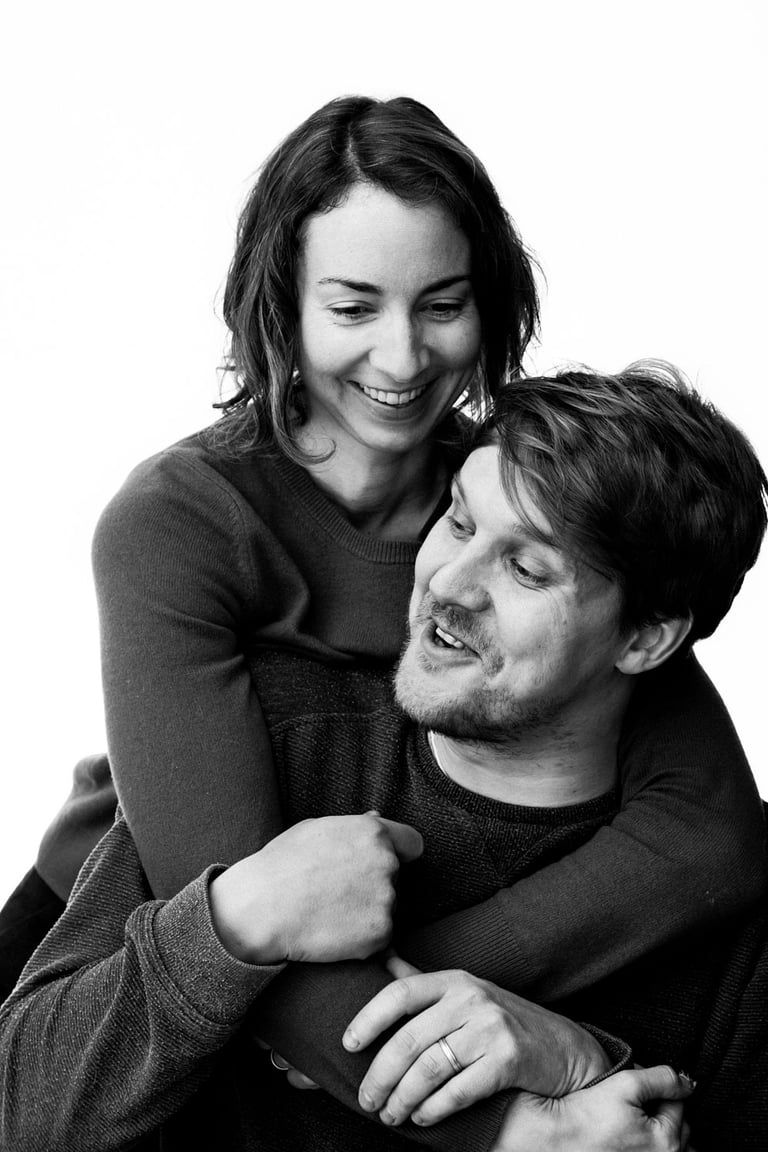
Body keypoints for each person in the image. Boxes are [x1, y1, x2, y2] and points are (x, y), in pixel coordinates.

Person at [0, 94, 763, 1138]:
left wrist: (487, 1001)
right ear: (284, 307)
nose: (402, 361)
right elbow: (247, 902)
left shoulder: (520, 491)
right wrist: (504, 1129)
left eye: (441, 305)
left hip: (387, 906)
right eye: (354, 308)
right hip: (152, 890)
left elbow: (706, 832)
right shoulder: (179, 522)